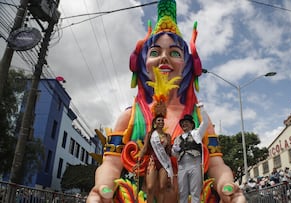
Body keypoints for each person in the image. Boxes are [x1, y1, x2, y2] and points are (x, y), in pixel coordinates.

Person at [86, 0, 246, 202]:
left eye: (174, 53)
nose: (164, 58)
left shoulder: (198, 117)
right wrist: (102, 188)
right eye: (155, 52)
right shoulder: (131, 116)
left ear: (187, 65)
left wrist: (226, 185)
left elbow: (216, 164)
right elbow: (111, 164)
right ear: (142, 64)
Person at [172, 104, 208, 203]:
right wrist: (174, 150)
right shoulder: (177, 138)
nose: (184, 124)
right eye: (183, 123)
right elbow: (174, 155)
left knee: (195, 192)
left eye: (187, 122)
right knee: (182, 192)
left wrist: (201, 108)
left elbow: (205, 122)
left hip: (194, 164)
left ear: (192, 124)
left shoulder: (197, 133)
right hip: (182, 166)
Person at [134, 115, 173, 203]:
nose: (161, 122)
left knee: (162, 187)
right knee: (150, 187)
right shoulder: (150, 134)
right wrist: (139, 161)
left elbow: (169, 151)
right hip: (153, 162)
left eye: (162, 120)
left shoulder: (167, 136)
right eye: (159, 120)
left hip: (164, 163)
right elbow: (144, 148)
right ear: (155, 123)